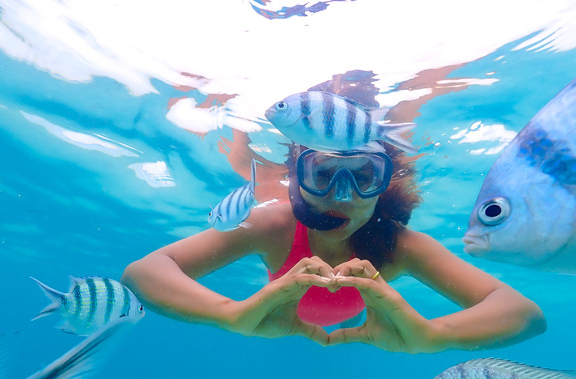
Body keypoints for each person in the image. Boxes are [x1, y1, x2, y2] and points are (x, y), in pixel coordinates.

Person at [121, 139, 546, 353]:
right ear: (296, 177)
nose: (343, 197)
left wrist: (434, 334)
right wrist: (229, 314)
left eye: (363, 176)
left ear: (385, 183)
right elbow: (143, 273)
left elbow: (525, 315)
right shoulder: (274, 223)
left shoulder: (399, 245)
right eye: (323, 175)